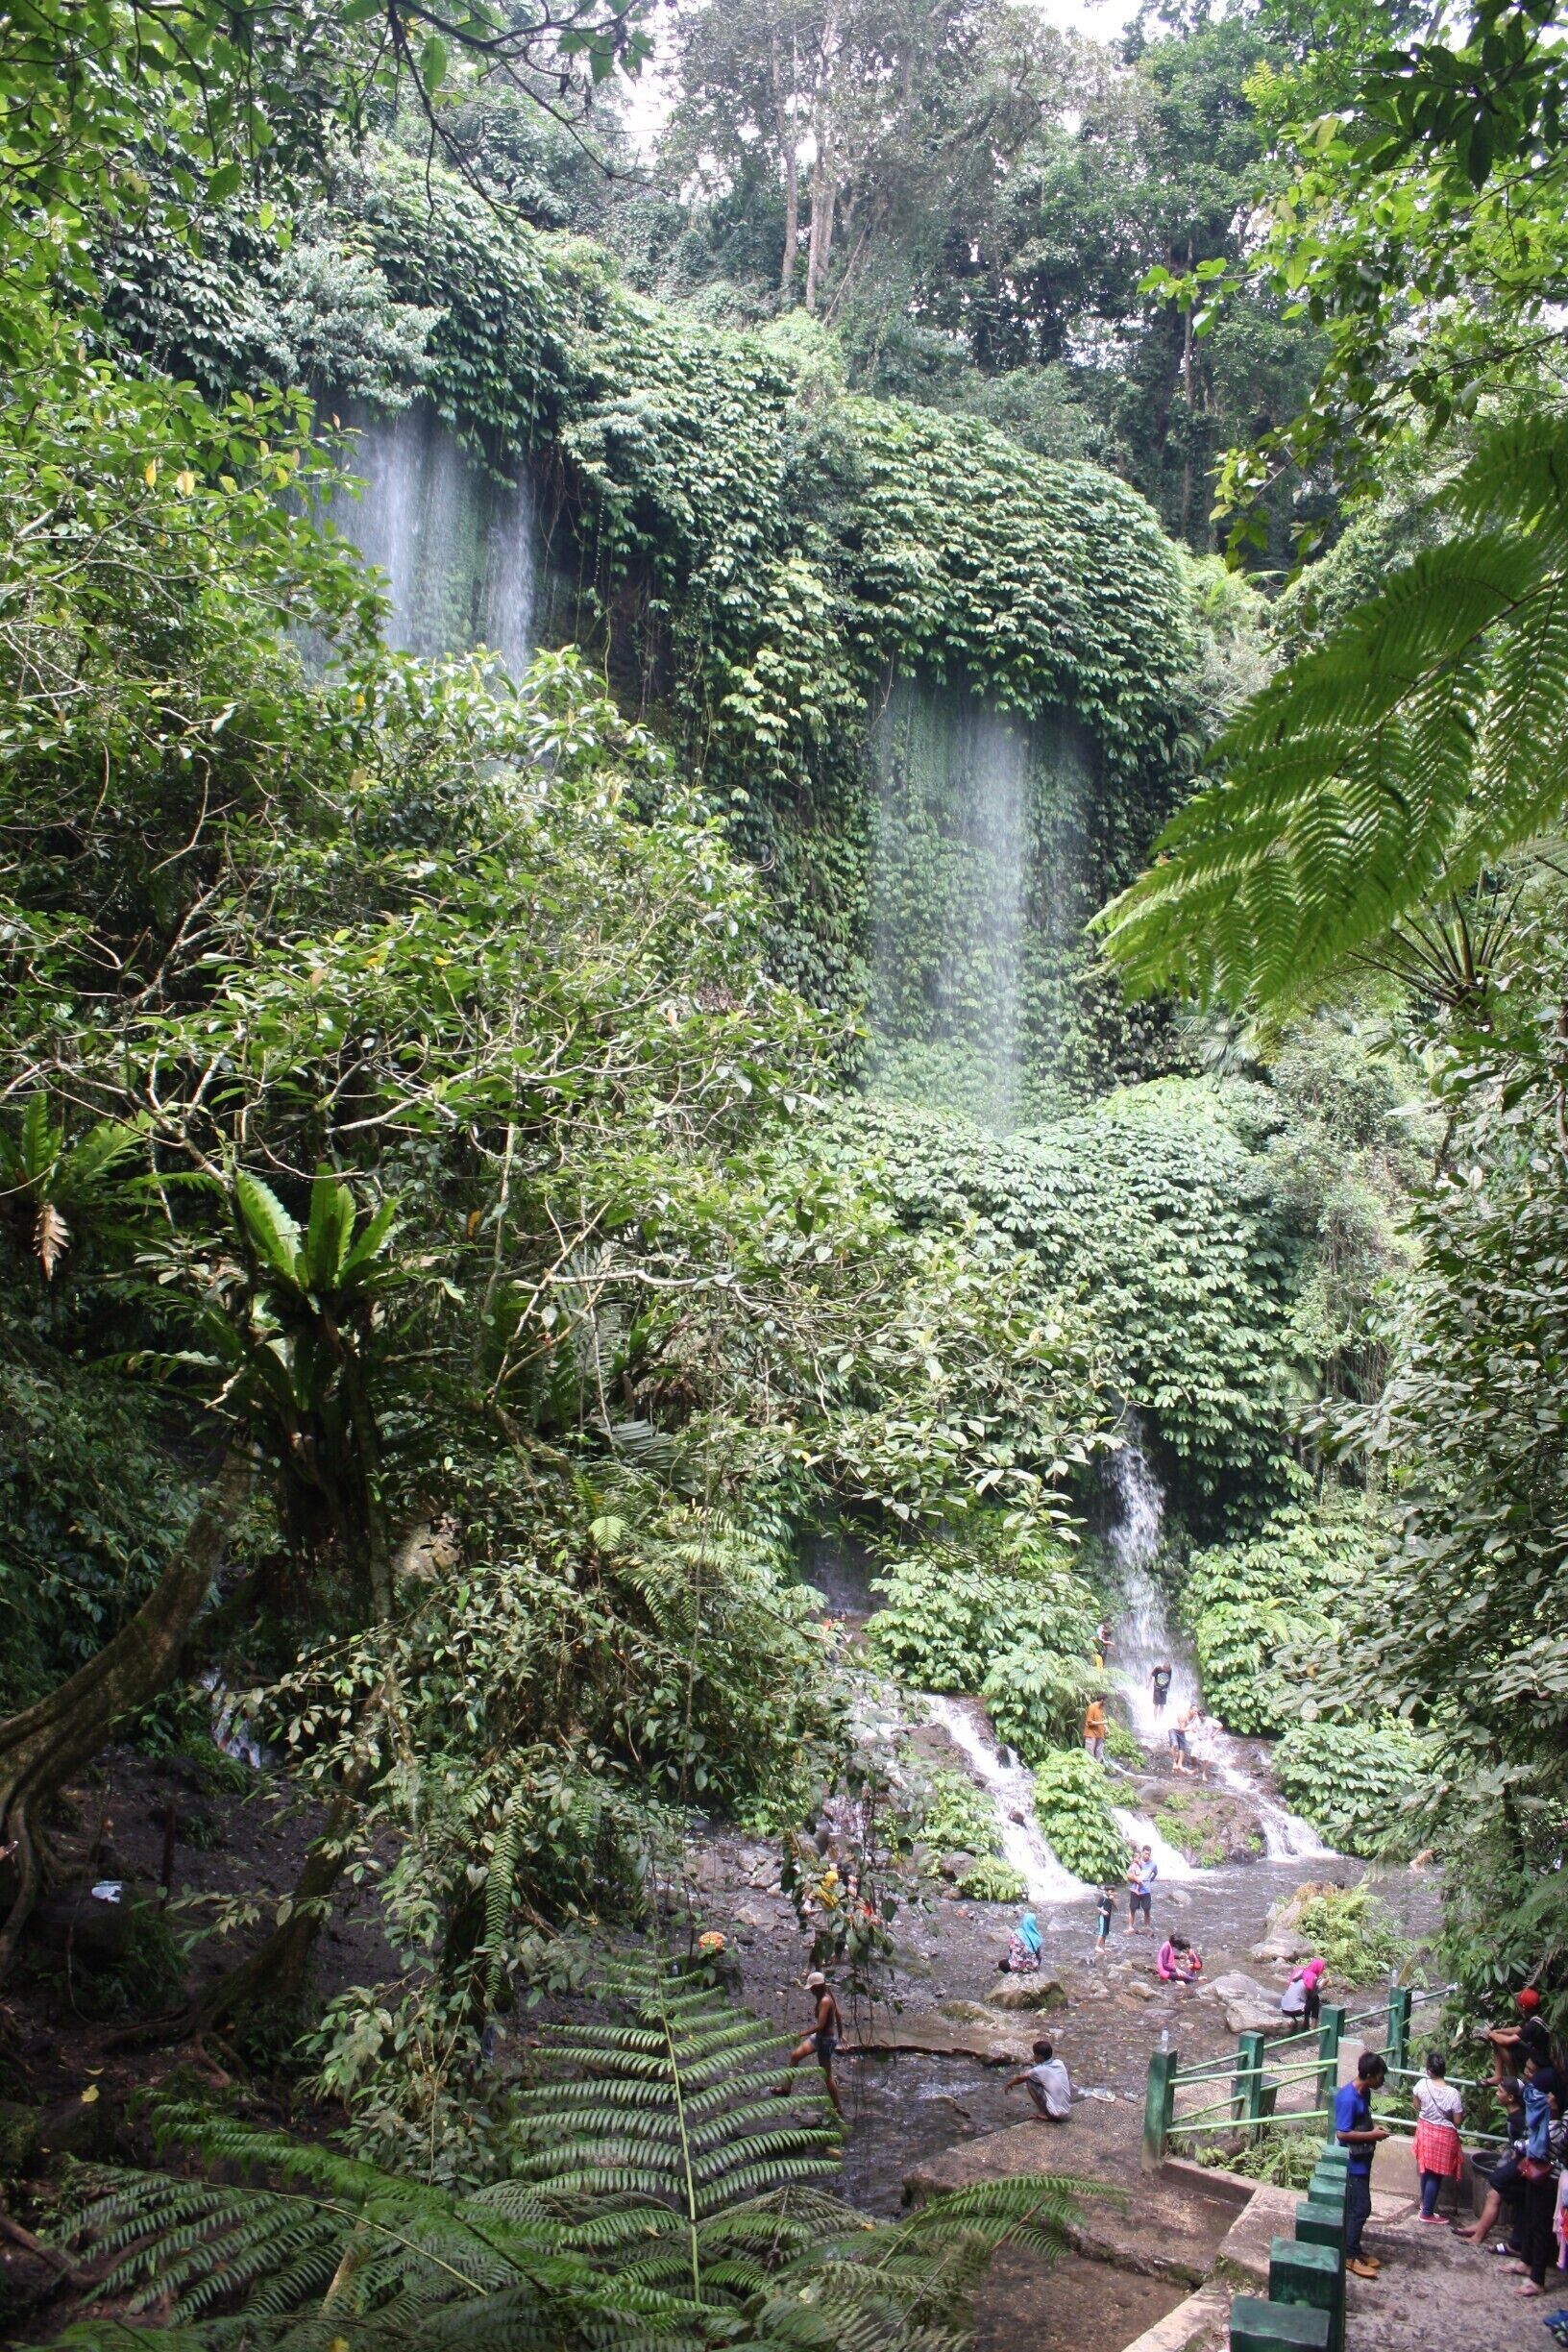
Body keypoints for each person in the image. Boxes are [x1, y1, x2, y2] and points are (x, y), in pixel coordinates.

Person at [1453, 2074, 1527, 2249]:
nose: (1496, 2094)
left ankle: (1478, 2236)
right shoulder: (1516, 2116)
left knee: (1494, 2195)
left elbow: (1522, 2148)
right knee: (1492, 2195)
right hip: (1515, 2163)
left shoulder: (1518, 2121)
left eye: (1500, 2091)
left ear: (1510, 2097)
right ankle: (1479, 2229)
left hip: (1520, 2168)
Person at [1335, 2049, 1390, 2277]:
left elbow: (1362, 2122)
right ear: (1369, 2075)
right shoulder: (1348, 2098)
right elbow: (1342, 2134)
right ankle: (1348, 2256)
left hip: (1364, 2158)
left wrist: (1373, 2131)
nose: (1382, 2081)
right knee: (1360, 2208)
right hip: (1352, 2162)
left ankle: (1354, 2249)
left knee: (1356, 2208)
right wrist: (1372, 2136)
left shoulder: (1364, 2093)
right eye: (1380, 2076)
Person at [1411, 2048, 1464, 2222]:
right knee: (1436, 2174)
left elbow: (1417, 2106)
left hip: (1425, 2130)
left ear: (1428, 2071)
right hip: (1444, 2135)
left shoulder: (1421, 2085)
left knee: (1426, 2168)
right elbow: (1457, 2121)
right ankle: (1426, 2213)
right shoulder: (1453, 2094)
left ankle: (1425, 2204)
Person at [787, 1971, 843, 2117]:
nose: (810, 1990)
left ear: (818, 1987)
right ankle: (786, 2088)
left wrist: (801, 2034)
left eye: (812, 1988)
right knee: (795, 2056)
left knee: (827, 2075)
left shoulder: (825, 2000)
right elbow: (838, 2014)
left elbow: (821, 2025)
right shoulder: (826, 1993)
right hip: (818, 2037)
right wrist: (842, 2036)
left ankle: (838, 2108)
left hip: (825, 2041)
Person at [1482, 1987, 1554, 2086]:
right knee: (1498, 2037)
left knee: (1499, 2041)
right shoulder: (1536, 2017)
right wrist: (1497, 2031)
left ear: (1523, 2008)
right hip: (1537, 2054)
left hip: (1542, 2061)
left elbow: (1507, 2041)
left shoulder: (1534, 2025)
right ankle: (1498, 2076)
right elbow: (1518, 2029)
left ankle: (1513, 2080)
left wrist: (1490, 2034)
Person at [1005, 2037, 1076, 2122]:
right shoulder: (1059, 2063)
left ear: (1040, 2056)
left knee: (1030, 2081)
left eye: (1035, 2055)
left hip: (1055, 2114)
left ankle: (1043, 2113)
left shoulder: (1038, 2070)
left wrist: (1009, 2084)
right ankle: (1051, 2109)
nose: (1034, 2057)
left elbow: (1020, 2078)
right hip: (1066, 2111)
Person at [1281, 1955, 1327, 2030]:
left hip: (1284, 2007)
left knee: (1308, 1999)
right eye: (1322, 1968)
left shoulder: (1299, 1971)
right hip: (1294, 2010)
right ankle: (1313, 2028)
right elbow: (1312, 1994)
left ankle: (1306, 2023)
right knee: (1315, 1999)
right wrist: (1321, 1986)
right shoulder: (1313, 1977)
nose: (1322, 1970)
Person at [1127, 1845, 1158, 1935]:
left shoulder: (1153, 1864)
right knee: (1132, 1909)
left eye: (1149, 1854)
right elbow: (1129, 1875)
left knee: (1147, 1909)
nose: (1147, 1856)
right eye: (1145, 1854)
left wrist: (1150, 1880)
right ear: (1142, 1853)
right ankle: (1130, 1927)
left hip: (1146, 1890)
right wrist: (1136, 1879)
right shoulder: (1136, 1862)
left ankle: (1147, 1927)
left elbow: (1155, 1873)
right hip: (1134, 1889)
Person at [1001, 1909, 1042, 1973]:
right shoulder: (1037, 1937)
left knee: (1001, 1963)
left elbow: (1011, 1950)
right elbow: (1039, 1956)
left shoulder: (1015, 1934)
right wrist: (1037, 1965)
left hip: (1016, 1966)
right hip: (1032, 1967)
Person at [1169, 1705, 1194, 1776]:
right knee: (1174, 1744)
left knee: (1182, 1748)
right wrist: (1191, 1729)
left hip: (1181, 1731)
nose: (1196, 1713)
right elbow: (1181, 1729)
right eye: (1194, 1711)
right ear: (1190, 1710)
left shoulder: (1194, 1717)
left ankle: (1180, 1765)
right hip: (1173, 1729)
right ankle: (1174, 1763)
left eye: (1196, 1711)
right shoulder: (1183, 1716)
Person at [1083, 1694, 1108, 1762]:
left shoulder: (1101, 1708)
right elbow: (1089, 1722)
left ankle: (1098, 1768)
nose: (1106, 1703)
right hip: (1091, 1734)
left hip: (1099, 1734)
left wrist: (1105, 1727)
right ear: (1102, 1700)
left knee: (1099, 1753)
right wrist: (1103, 1723)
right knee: (1089, 1754)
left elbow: (1101, 1719)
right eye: (1105, 1701)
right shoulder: (1092, 1707)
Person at [1094, 1882, 1116, 1955]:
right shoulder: (1103, 1897)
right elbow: (1098, 1907)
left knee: (1105, 1933)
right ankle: (1097, 1946)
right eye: (1111, 1892)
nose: (1112, 1893)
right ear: (1106, 1891)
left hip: (1107, 1918)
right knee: (1101, 1932)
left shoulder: (1110, 1898)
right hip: (1102, 1917)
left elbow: (1115, 1906)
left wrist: (1113, 1900)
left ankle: (1102, 1947)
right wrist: (1103, 1911)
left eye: (1113, 1891)